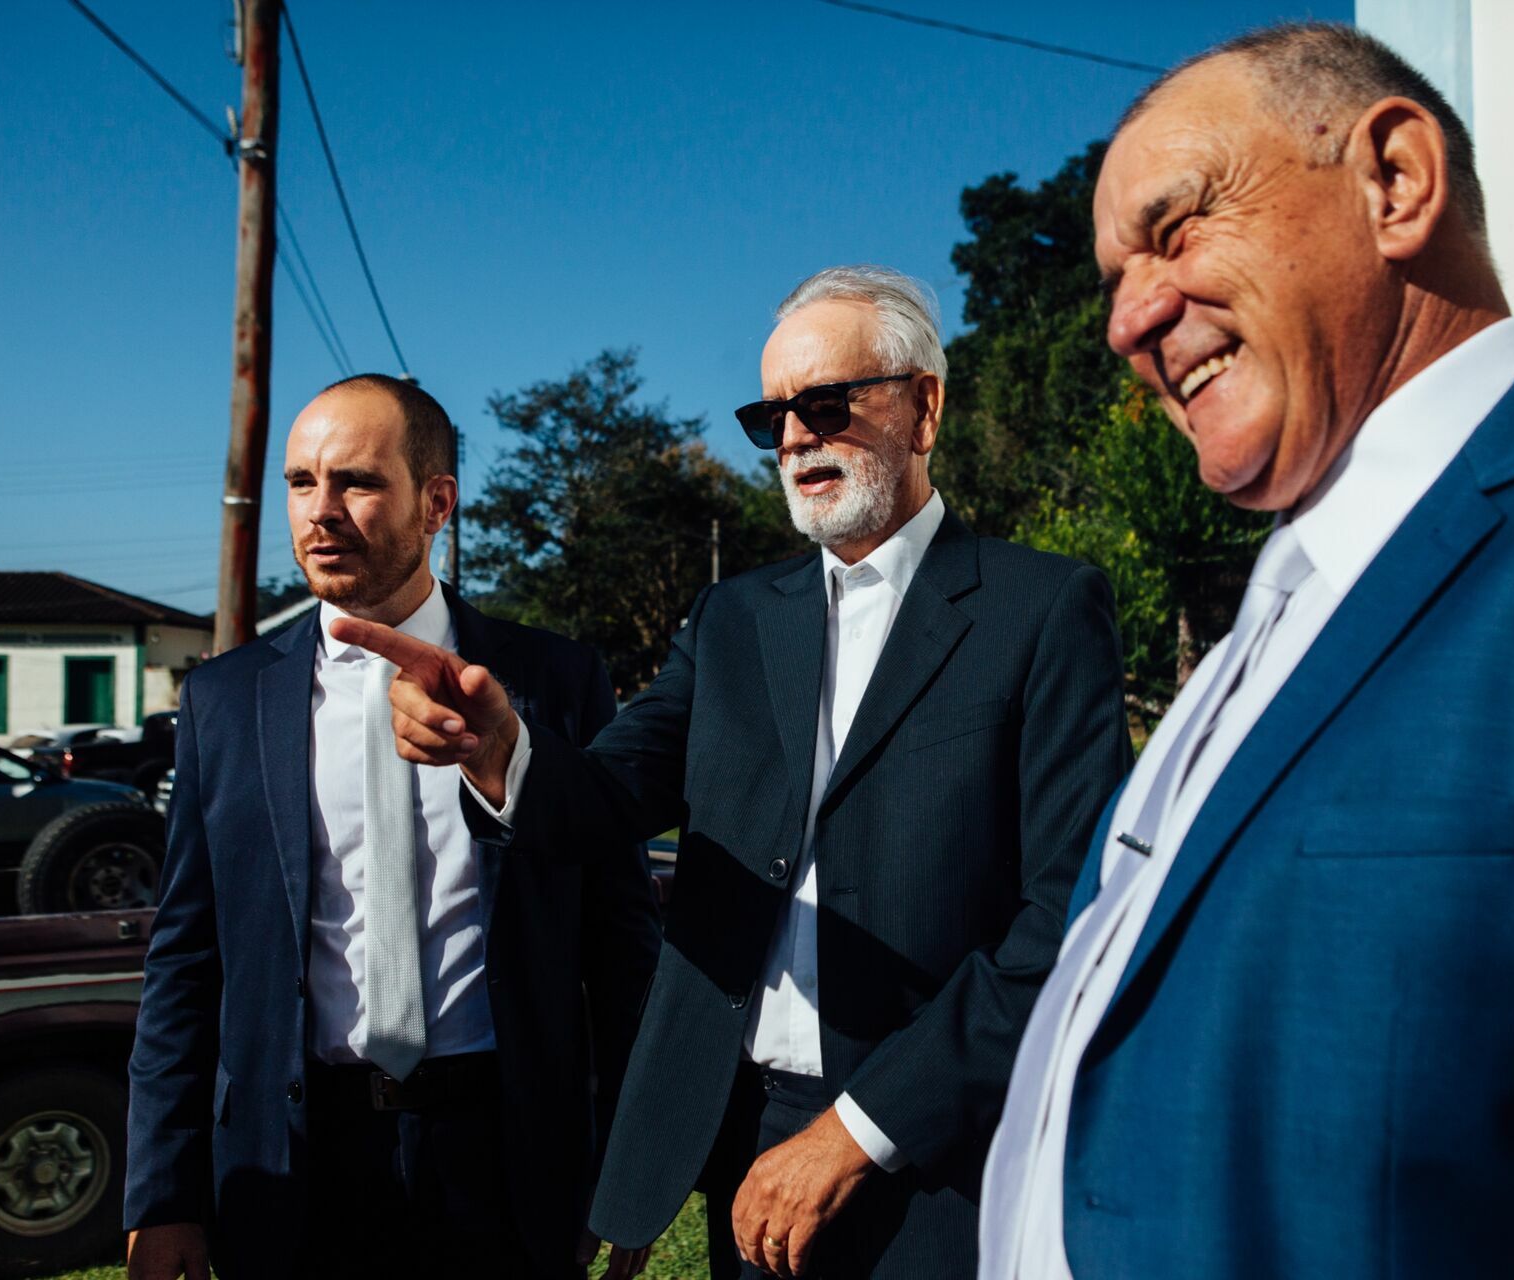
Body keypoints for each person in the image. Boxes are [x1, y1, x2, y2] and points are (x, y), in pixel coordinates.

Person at [980, 21, 1514, 1280]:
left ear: (1396, 180)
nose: (1128, 319)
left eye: (1177, 227)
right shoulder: (1269, 619)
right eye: (1111, 278)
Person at [336, 266, 1130, 1279]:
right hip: (748, 1129)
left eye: (828, 403)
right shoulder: (735, 619)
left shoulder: (1044, 608)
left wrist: (862, 1126)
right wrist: (503, 755)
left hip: (942, 1143)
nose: (796, 436)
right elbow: (607, 795)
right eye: (773, 416)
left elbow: (1070, 917)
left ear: (925, 406)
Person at [123, 375, 660, 1280]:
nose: (320, 512)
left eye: (357, 483)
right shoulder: (224, 701)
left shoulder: (555, 682)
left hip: (503, 1158)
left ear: (436, 501)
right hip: (296, 1168)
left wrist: (633, 1168)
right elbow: (185, 961)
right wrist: (163, 1194)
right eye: (301, 483)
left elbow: (619, 945)